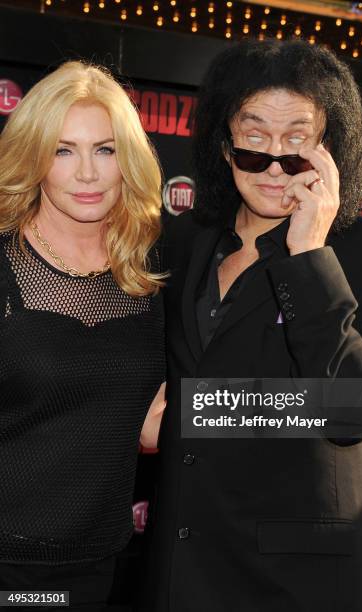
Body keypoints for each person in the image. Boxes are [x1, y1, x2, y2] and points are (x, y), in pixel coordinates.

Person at [142, 39, 362, 612]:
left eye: (298, 142)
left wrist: (307, 257)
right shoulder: (182, 242)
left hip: (295, 585)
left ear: (332, 149)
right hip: (178, 570)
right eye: (254, 142)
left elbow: (353, 409)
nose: (275, 165)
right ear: (225, 146)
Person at [0, 61, 165, 610]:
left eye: (106, 149)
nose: (88, 173)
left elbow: (150, 421)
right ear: (34, 157)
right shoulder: (4, 264)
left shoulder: (150, 274)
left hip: (99, 562)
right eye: (64, 150)